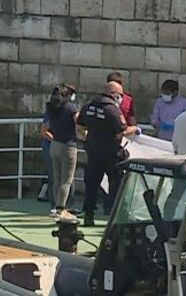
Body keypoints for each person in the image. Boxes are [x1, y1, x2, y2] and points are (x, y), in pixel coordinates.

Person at [77, 81, 137, 227]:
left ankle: (89, 215)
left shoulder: (89, 106)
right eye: (120, 95)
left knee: (91, 184)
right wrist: (134, 128)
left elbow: (80, 125)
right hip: (111, 152)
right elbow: (121, 130)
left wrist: (87, 136)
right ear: (114, 94)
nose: (121, 98)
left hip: (93, 151)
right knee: (115, 185)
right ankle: (111, 217)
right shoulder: (113, 110)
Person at [40, 83, 80, 221]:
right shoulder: (71, 108)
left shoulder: (51, 108)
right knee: (67, 180)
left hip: (54, 145)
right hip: (68, 146)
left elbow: (45, 128)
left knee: (56, 179)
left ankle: (55, 207)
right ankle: (61, 208)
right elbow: (79, 124)